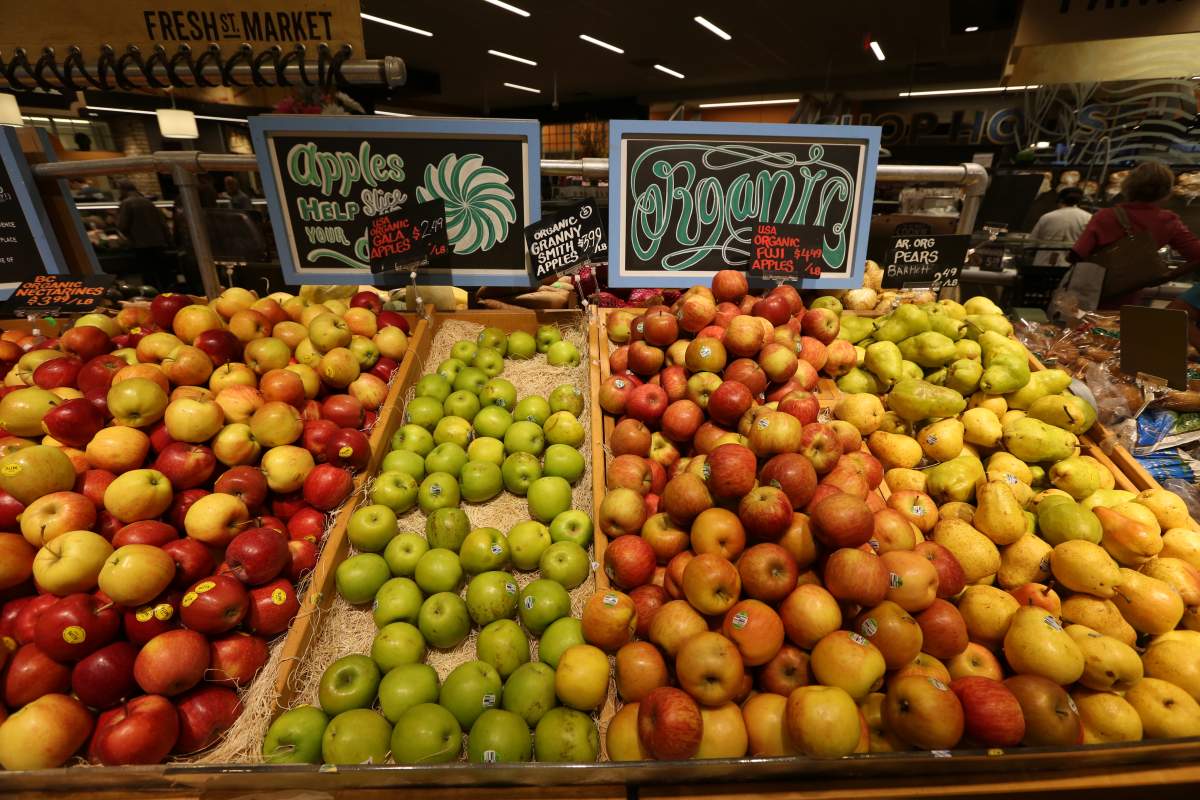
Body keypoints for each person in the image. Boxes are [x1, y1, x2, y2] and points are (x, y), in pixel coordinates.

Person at [1071, 161, 1200, 274]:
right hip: (1132, 289)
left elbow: (1077, 254)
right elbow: (1197, 254)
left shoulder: (1105, 216)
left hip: (1093, 290)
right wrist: (1165, 276)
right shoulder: (1169, 221)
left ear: (1128, 186)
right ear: (1166, 192)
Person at [115, 180, 171, 285]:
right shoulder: (148, 202)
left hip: (140, 244)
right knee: (162, 273)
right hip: (158, 242)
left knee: (148, 274)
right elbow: (163, 223)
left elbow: (122, 225)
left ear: (122, 190)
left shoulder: (126, 203)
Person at [1030, 186, 1091, 265]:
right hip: (1070, 265)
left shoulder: (1047, 216)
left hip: (1043, 263)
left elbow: (1031, 244)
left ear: (1060, 200)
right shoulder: (1088, 217)